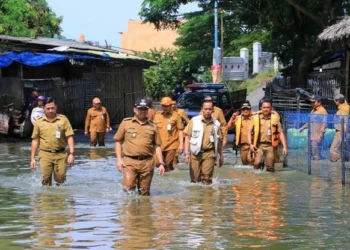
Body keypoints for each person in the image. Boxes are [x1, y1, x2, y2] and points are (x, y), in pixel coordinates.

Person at [114, 98, 165, 196]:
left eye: (145, 109)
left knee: (144, 192)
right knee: (128, 188)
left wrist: (161, 163)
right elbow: (118, 142)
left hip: (147, 162)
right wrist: (119, 160)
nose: (143, 111)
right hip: (130, 162)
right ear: (134, 109)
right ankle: (130, 209)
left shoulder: (153, 126)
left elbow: (157, 146)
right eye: (140, 109)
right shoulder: (126, 123)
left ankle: (144, 210)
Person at [30, 97, 75, 186]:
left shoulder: (63, 120)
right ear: (43, 108)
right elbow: (35, 140)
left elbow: (69, 137)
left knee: (61, 178)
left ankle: (60, 198)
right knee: (46, 180)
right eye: (48, 108)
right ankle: (47, 199)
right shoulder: (39, 122)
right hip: (45, 154)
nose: (50, 111)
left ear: (56, 107)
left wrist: (71, 154)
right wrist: (32, 158)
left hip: (61, 154)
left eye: (52, 108)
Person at [183, 99, 224, 184]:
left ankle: (207, 196)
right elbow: (187, 137)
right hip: (195, 154)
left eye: (210, 109)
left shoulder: (216, 123)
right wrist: (186, 153)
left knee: (206, 178)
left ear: (213, 110)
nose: (208, 111)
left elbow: (219, 140)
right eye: (205, 109)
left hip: (209, 153)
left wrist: (221, 155)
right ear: (202, 109)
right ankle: (197, 197)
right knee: (195, 180)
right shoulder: (194, 121)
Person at [247, 99, 288, 172]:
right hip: (259, 145)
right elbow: (249, 131)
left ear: (271, 108)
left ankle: (269, 181)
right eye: (264, 107)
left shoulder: (275, 119)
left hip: (270, 146)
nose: (266, 109)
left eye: (268, 107)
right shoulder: (256, 118)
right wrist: (250, 144)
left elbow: (280, 133)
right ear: (261, 108)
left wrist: (284, 147)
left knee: (270, 167)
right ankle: (257, 181)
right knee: (257, 164)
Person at [154, 97, 184, 171]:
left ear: (171, 106)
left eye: (167, 106)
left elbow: (180, 130)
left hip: (172, 144)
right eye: (163, 106)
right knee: (157, 164)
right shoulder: (156, 115)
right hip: (159, 145)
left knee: (168, 164)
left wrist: (181, 144)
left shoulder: (176, 116)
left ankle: (169, 179)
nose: (165, 108)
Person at [298, 95, 328, 160]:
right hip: (311, 135)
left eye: (314, 102)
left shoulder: (322, 111)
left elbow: (324, 124)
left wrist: (320, 135)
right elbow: (309, 121)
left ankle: (317, 167)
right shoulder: (313, 110)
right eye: (312, 102)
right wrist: (302, 128)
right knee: (309, 152)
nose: (312, 103)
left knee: (316, 155)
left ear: (319, 102)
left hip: (317, 136)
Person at [330, 94, 350, 162]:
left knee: (333, 149)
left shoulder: (343, 110)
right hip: (345, 131)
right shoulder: (346, 107)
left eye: (335, 101)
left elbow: (345, 122)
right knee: (344, 149)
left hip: (341, 131)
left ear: (337, 101)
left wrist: (342, 135)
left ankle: (334, 165)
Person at [171, 98, 189, 164]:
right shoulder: (166, 113)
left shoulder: (181, 112)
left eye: (174, 104)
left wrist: (185, 132)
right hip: (170, 136)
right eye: (171, 104)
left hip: (180, 136)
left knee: (176, 155)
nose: (173, 106)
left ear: (177, 105)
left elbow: (188, 123)